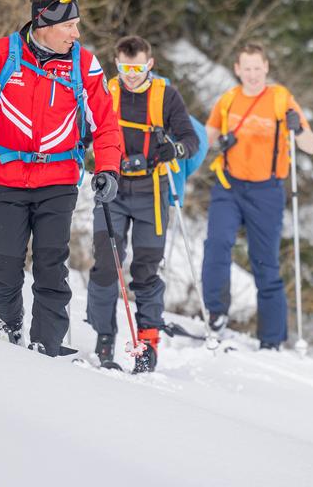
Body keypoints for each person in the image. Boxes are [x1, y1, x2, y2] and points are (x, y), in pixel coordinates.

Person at [0, 0, 121, 357]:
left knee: (50, 266)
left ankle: (45, 345)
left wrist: (108, 167)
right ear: (44, 22)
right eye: (70, 26)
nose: (77, 34)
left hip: (58, 182)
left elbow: (107, 124)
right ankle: (10, 323)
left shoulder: (84, 65)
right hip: (6, 177)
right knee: (1, 268)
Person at [85, 35, 198, 373]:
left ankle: (148, 341)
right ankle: (104, 337)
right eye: (124, 67)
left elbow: (190, 139)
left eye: (136, 68)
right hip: (114, 189)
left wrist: (174, 149)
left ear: (149, 64)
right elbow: (84, 129)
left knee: (146, 268)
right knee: (107, 261)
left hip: (152, 191)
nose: (130, 74)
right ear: (116, 64)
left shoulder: (166, 95)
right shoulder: (108, 90)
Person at [201, 43, 313, 350]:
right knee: (217, 244)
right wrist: (213, 145)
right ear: (237, 69)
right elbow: (204, 139)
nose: (252, 75)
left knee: (264, 262)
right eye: (246, 68)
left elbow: (311, 145)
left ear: (266, 67)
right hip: (229, 185)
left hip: (266, 191)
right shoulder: (228, 100)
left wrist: (298, 128)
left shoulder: (281, 99)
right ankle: (215, 314)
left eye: (257, 68)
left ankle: (272, 338)